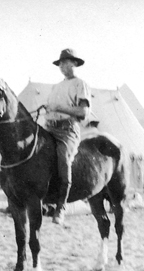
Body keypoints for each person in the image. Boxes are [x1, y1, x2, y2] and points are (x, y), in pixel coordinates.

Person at [45, 48, 91, 225]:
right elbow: (53, 106)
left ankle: (61, 207)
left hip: (67, 130)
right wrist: (49, 108)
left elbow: (83, 112)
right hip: (49, 127)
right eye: (60, 64)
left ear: (74, 63)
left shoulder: (80, 84)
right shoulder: (56, 87)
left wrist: (59, 108)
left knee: (63, 159)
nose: (62, 66)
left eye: (65, 63)